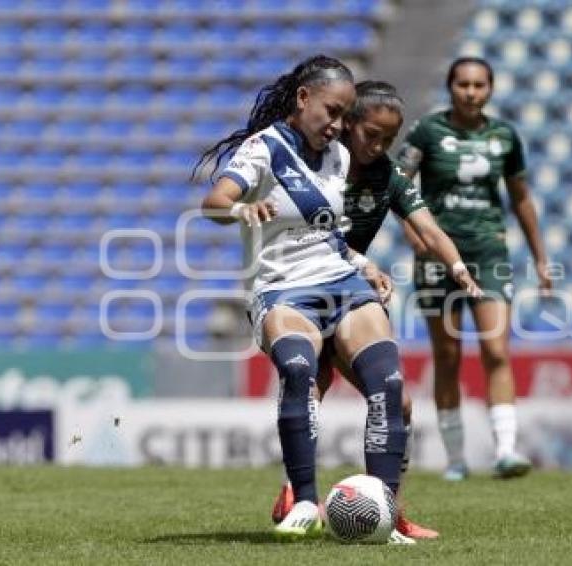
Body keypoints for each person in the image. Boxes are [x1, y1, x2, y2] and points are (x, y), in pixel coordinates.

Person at [196, 55, 412, 544]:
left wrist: (364, 265)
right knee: (298, 370)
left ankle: (383, 509)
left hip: (342, 282)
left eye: (343, 115)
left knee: (389, 381)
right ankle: (306, 501)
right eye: (331, 112)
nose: (337, 126)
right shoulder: (264, 149)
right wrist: (241, 207)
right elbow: (211, 204)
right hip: (284, 289)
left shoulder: (337, 156)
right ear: (303, 98)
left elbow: (329, 234)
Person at [266, 81, 483, 539]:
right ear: (348, 125)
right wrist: (364, 265)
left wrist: (458, 267)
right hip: (302, 288)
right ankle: (296, 492)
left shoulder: (388, 176)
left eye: (389, 138)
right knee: (310, 382)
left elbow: (428, 228)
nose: (379, 146)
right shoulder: (317, 169)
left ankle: (390, 511)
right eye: (371, 135)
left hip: (348, 296)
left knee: (396, 401)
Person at [396, 57, 552, 481]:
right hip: (437, 255)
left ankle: (505, 450)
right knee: (447, 356)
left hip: (488, 255)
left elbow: (520, 198)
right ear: (451, 87)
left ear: (490, 89)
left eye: (479, 85)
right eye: (463, 84)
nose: (470, 92)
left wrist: (540, 257)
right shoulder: (427, 131)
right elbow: (398, 184)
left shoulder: (504, 136)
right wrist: (414, 233)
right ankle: (456, 459)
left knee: (496, 350)